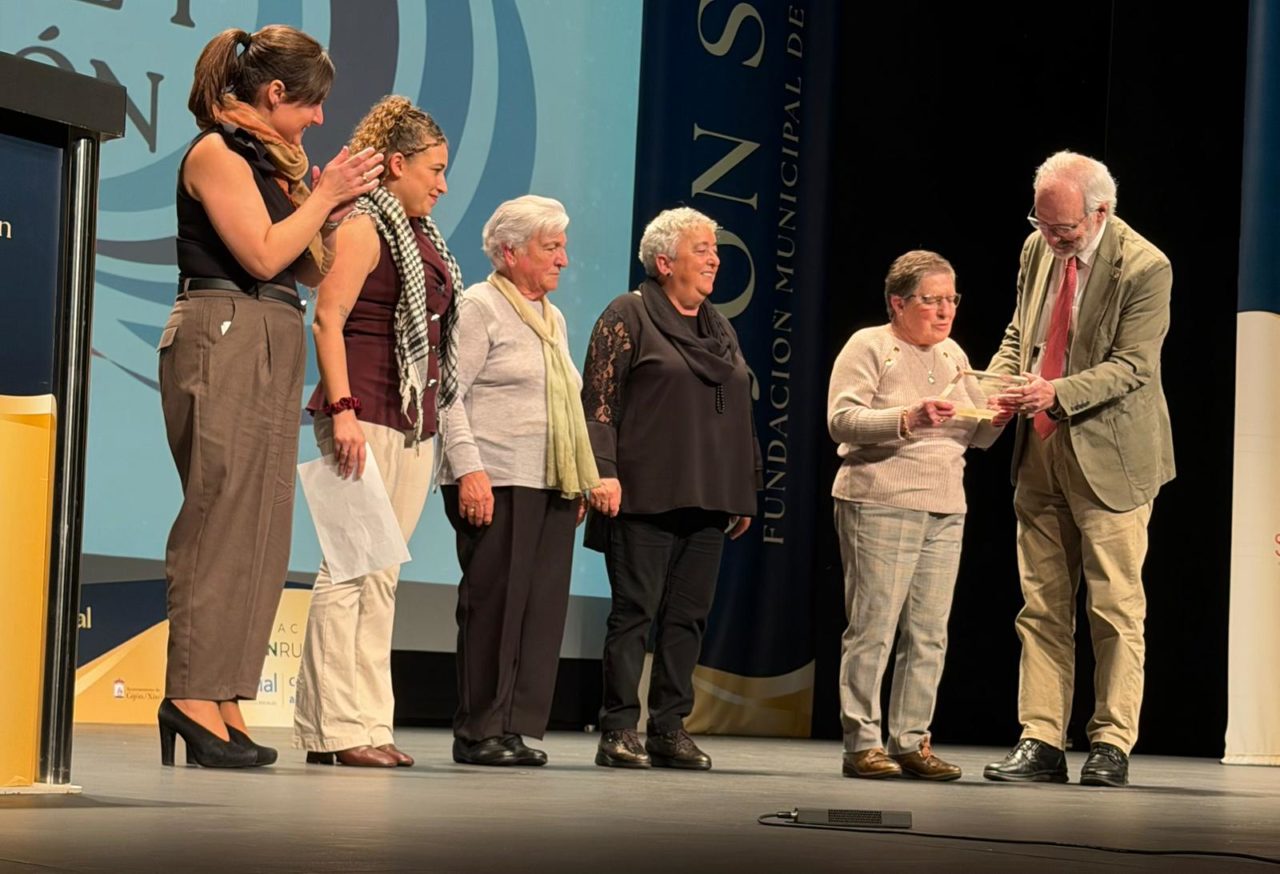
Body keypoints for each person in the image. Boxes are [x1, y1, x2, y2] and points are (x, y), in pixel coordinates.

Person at [157, 25, 382, 768]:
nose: (319, 117)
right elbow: (258, 254)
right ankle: (190, 694)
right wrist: (323, 195)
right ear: (275, 92)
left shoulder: (270, 162)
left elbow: (304, 270)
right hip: (224, 326)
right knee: (220, 515)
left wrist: (330, 211)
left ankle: (225, 693)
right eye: (311, 103)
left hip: (271, 330)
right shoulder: (216, 152)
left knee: (261, 527)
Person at [982, 151, 1174, 788]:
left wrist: (1056, 392)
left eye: (1063, 229)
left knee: (1115, 607)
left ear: (1101, 212)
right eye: (1041, 224)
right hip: (1040, 448)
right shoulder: (1037, 249)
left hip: (1111, 457)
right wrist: (996, 387)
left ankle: (1111, 742)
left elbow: (1133, 366)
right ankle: (1040, 738)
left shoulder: (1145, 267)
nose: (1052, 238)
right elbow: (1022, 334)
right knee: (1041, 605)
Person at [292, 96, 460, 768]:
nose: (442, 184)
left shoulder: (422, 237)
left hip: (411, 421)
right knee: (350, 570)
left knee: (380, 575)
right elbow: (327, 319)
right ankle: (333, 730)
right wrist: (342, 409)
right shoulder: (364, 226)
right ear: (396, 164)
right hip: (360, 413)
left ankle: (367, 723)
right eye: (434, 169)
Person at [582, 207, 760, 771]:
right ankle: (618, 728)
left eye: (715, 249)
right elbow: (598, 403)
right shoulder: (628, 314)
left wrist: (745, 486)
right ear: (664, 262)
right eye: (701, 249)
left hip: (709, 495)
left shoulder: (719, 328)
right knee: (634, 613)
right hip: (643, 493)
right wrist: (602, 471)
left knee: (688, 617)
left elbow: (740, 412)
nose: (714, 259)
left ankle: (668, 728)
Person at [827, 251, 1008, 781]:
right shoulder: (870, 345)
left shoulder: (953, 354)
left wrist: (1000, 415)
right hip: (880, 499)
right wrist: (909, 416)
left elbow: (976, 435)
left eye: (951, 299)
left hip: (945, 504)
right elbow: (842, 420)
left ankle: (910, 741)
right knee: (874, 627)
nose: (945, 310)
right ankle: (862, 743)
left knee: (929, 633)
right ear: (898, 303)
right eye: (932, 300)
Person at [439, 195, 600, 767]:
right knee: (495, 608)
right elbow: (448, 396)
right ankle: (477, 730)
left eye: (563, 247)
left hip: (550, 482)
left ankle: (511, 726)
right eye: (550, 247)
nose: (563, 260)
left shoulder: (551, 318)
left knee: (538, 611)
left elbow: (567, 403)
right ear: (509, 252)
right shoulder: (479, 307)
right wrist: (469, 470)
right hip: (497, 479)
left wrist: (579, 478)